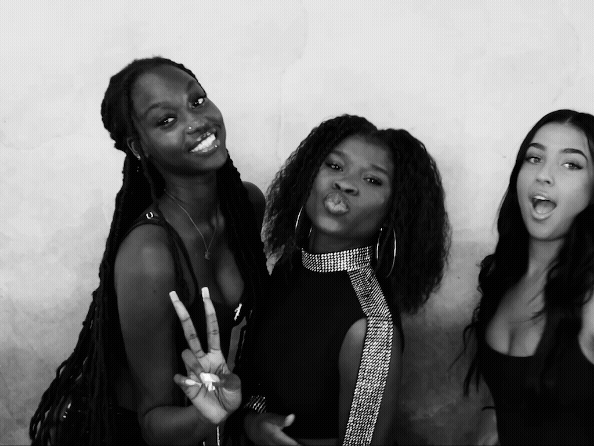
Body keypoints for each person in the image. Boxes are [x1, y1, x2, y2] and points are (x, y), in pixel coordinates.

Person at [29, 57, 269, 445]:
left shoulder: (246, 205)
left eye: (197, 101)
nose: (197, 121)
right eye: (166, 120)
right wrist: (212, 415)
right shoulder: (149, 256)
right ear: (140, 148)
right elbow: (153, 422)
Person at [233, 115, 451, 445]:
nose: (345, 184)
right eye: (334, 166)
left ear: (394, 211)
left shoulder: (371, 325)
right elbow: (261, 382)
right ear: (307, 176)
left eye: (373, 180)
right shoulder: (289, 268)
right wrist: (253, 423)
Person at [463, 109, 594, 445]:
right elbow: (509, 390)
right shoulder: (504, 276)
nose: (544, 175)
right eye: (534, 158)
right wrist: (492, 417)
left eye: (571, 164)